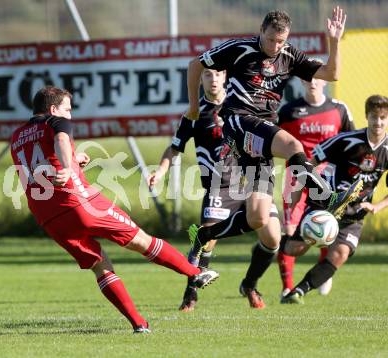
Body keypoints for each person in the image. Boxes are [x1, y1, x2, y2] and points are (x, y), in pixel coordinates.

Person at [184, 7, 362, 306]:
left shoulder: (289, 55)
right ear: (261, 31)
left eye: (280, 42)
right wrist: (192, 107)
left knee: (257, 217)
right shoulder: (240, 48)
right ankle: (324, 197)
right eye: (270, 40)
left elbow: (332, 74)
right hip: (240, 121)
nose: (275, 47)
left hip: (263, 133)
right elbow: (195, 64)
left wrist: (334, 41)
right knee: (294, 147)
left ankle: (204, 236)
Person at [9, 86, 219, 334]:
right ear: (53, 109)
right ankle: (194, 273)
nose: (70, 115)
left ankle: (139, 324)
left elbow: (41, 162)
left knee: (100, 265)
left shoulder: (17, 136)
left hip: (47, 216)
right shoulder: (56, 123)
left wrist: (74, 161)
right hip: (79, 203)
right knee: (141, 241)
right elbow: (61, 140)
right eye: (67, 109)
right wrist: (68, 166)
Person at [148, 69, 280, 310]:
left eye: (218, 74)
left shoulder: (242, 105)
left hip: (252, 180)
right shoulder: (195, 113)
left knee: (272, 239)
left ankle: (249, 284)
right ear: (202, 80)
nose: (214, 79)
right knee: (206, 241)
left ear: (226, 77)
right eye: (208, 75)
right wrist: (161, 171)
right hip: (220, 187)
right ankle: (190, 294)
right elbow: (175, 147)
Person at [280, 95, 388, 304]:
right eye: (374, 117)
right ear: (367, 116)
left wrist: (377, 206)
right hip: (326, 202)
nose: (378, 123)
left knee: (340, 253)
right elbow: (308, 163)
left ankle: (297, 292)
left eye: (383, 118)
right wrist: (296, 195)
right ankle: (270, 242)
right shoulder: (347, 140)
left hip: (355, 214)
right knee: (296, 249)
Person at [277, 75, 355, 297]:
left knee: (325, 226)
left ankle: (324, 274)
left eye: (317, 78)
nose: (312, 82)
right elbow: (271, 138)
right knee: (289, 230)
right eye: (307, 78)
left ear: (325, 81)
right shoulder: (288, 111)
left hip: (327, 179)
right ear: (301, 82)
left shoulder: (338, 109)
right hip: (296, 178)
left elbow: (351, 141)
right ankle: (286, 287)